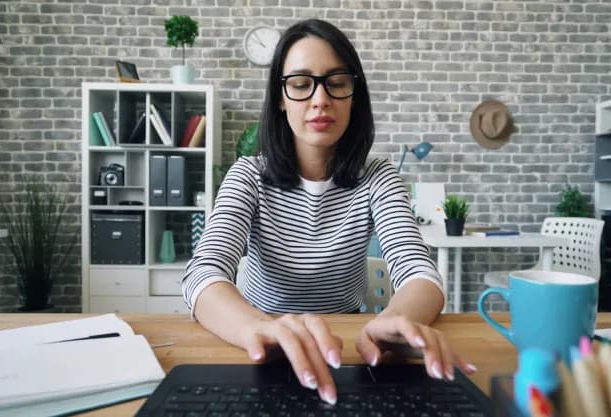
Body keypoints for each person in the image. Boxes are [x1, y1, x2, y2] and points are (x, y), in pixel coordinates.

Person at [181, 18, 476, 406]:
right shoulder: (248, 175)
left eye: (336, 82)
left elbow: (420, 273)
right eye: (301, 84)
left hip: (346, 344)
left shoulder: (377, 176)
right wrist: (259, 327)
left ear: (354, 95)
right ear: (281, 98)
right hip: (257, 338)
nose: (320, 99)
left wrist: (390, 322)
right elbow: (203, 273)